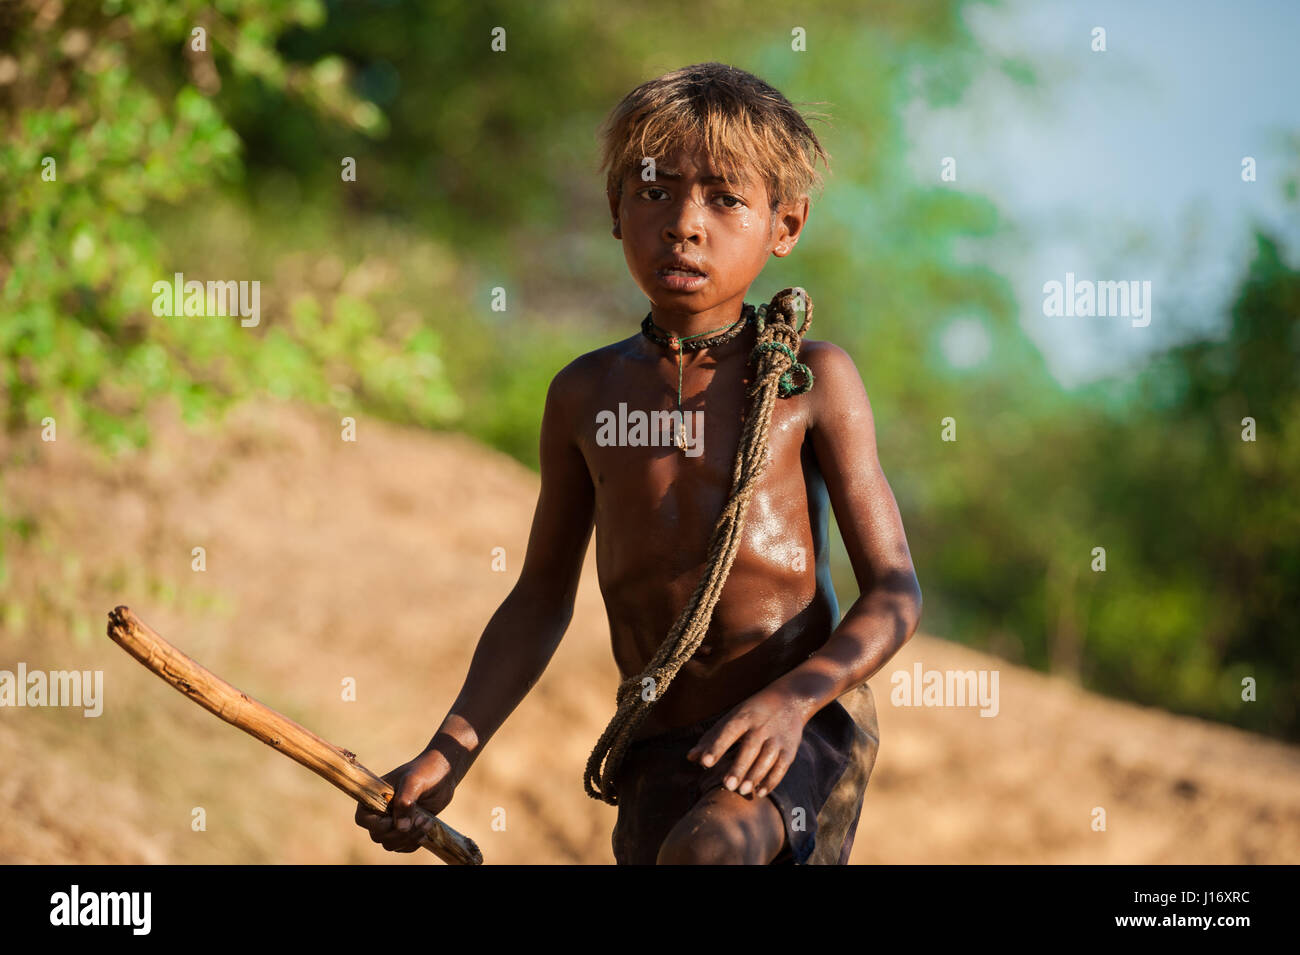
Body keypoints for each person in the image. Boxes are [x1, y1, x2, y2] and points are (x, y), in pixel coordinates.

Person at [354, 61, 922, 864]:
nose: (685, 223)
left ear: (785, 226)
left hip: (796, 731)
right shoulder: (583, 395)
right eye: (655, 192)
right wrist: (446, 757)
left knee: (707, 852)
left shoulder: (812, 382)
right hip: (657, 747)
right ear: (617, 211)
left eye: (726, 199)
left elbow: (896, 591)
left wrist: (793, 702)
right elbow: (539, 600)